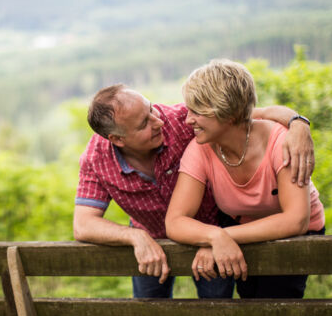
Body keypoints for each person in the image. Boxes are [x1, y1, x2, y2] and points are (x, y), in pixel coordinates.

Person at [74, 82, 315, 299]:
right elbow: (84, 225)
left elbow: (246, 115)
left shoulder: (181, 121)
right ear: (117, 139)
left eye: (151, 109)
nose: (157, 121)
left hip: (209, 231)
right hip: (149, 238)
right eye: (144, 123)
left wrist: (299, 123)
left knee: (216, 308)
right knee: (149, 315)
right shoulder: (96, 160)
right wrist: (135, 237)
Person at [165, 59, 325, 298]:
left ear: (227, 113)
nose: (188, 120)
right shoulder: (201, 149)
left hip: (295, 235)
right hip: (239, 226)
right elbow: (175, 221)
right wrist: (214, 236)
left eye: (197, 112)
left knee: (276, 310)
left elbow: (296, 220)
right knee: (251, 303)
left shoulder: (280, 142)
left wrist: (222, 237)